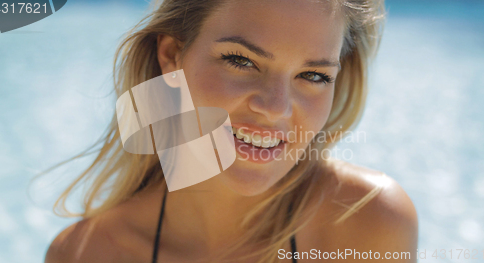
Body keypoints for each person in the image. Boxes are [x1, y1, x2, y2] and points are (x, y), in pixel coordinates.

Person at [44, 0, 418, 262]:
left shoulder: (369, 223)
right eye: (241, 61)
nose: (275, 108)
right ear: (172, 54)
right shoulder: (85, 254)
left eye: (314, 75)